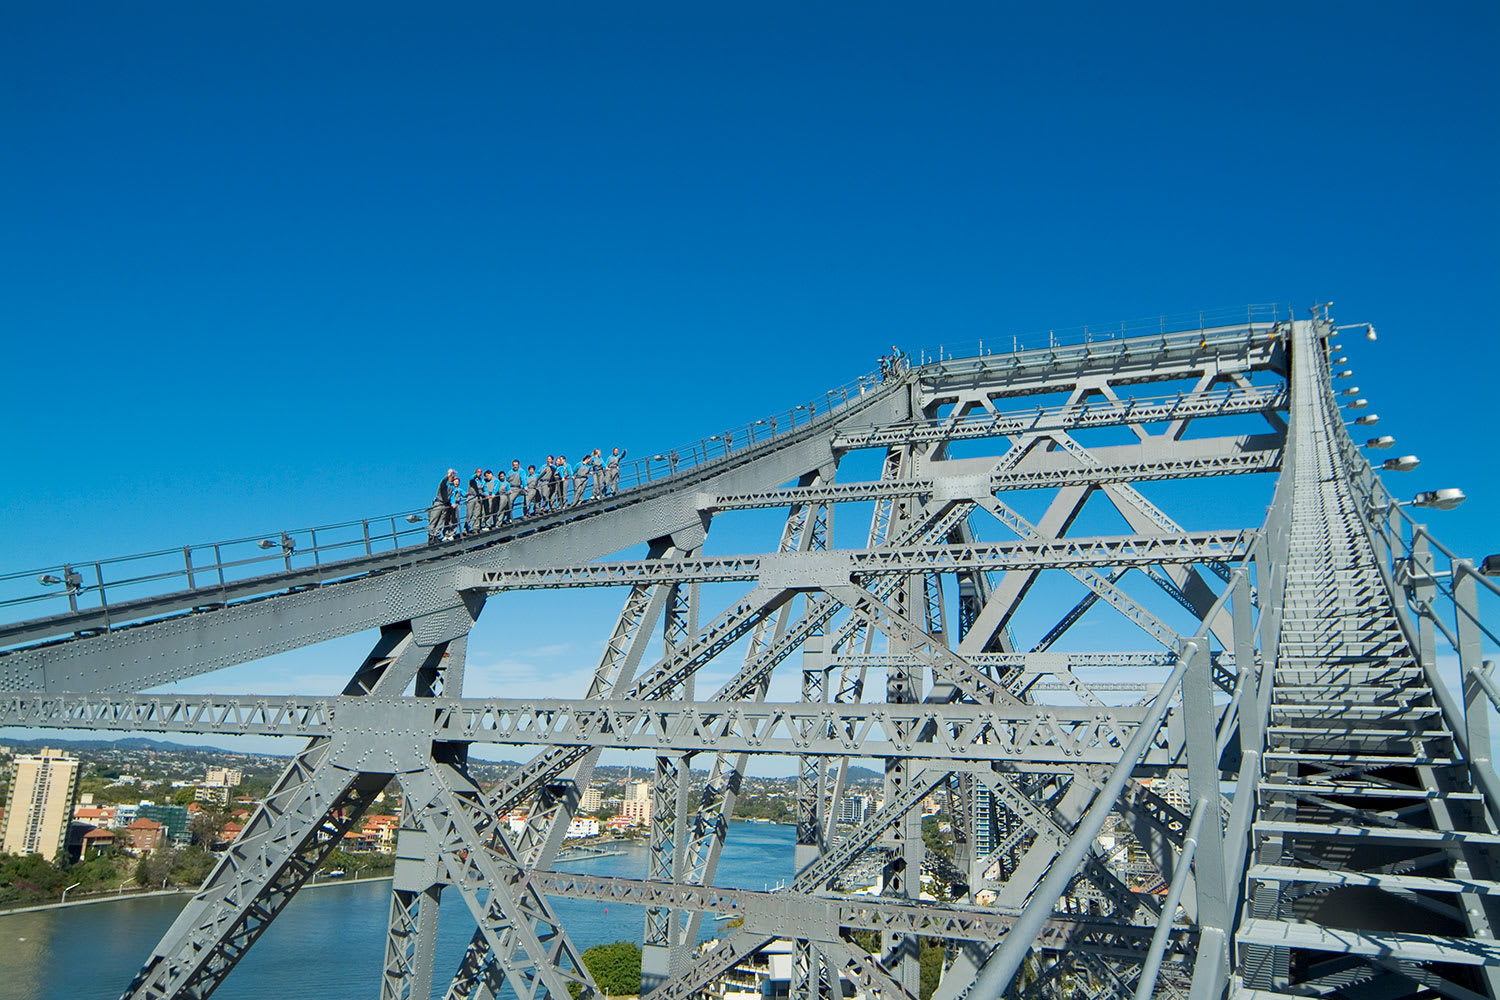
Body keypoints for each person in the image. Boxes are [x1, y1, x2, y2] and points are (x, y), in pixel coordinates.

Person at [429, 469, 457, 542]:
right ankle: (431, 536)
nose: (453, 476)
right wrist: (447, 476)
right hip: (439, 503)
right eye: (452, 474)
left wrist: (453, 502)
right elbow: (443, 483)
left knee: (441, 521)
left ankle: (436, 536)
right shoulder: (444, 483)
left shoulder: (452, 486)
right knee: (434, 519)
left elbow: (452, 496)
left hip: (445, 505)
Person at [466, 468, 486, 533]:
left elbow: (484, 489)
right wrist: (475, 475)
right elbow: (471, 478)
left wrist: (488, 495)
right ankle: (466, 528)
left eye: (480, 472)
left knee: (477, 514)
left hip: (479, 498)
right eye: (478, 472)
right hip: (471, 497)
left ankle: (475, 528)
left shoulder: (482, 481)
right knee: (469, 514)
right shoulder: (472, 479)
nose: (479, 473)